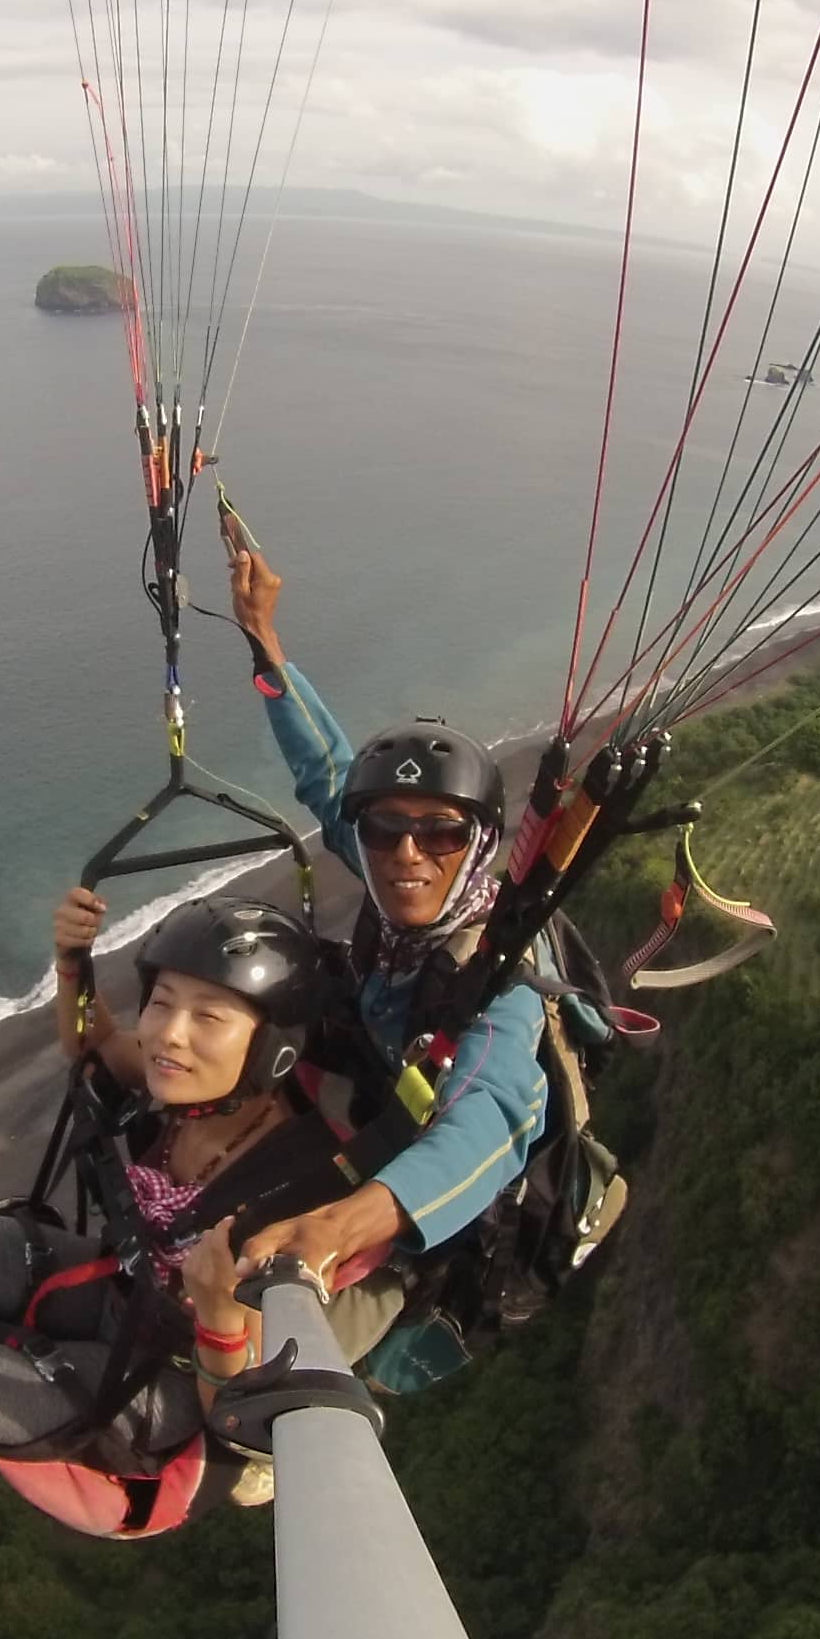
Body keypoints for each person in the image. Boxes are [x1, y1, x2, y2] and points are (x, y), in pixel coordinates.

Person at [0, 887, 325, 1585]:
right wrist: (71, 961)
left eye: (207, 1016)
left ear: (270, 1047)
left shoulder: (283, 1200)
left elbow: (233, 1412)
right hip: (124, 1290)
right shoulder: (187, 1092)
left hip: (169, 1379)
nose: (168, 1034)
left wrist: (216, 1311)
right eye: (161, 1003)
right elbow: (93, 1047)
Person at [218, 502, 551, 1306]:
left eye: (439, 834)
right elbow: (326, 771)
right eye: (386, 830)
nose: (406, 855)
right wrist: (264, 640)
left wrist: (339, 1230)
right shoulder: (380, 860)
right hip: (371, 1088)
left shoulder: (498, 972)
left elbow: (495, 1116)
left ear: (476, 845)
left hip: (417, 1192)